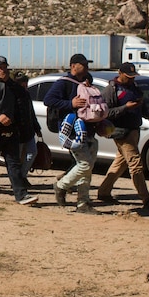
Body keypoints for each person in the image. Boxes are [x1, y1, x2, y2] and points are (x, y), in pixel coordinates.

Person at [97, 62, 149, 211]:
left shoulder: (134, 88)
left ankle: (103, 192)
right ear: (120, 73)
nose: (131, 79)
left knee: (120, 163)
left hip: (134, 131)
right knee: (135, 164)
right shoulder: (111, 90)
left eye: (133, 77)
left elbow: (141, 106)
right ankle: (146, 199)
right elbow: (106, 113)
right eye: (128, 77)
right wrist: (125, 108)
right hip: (121, 132)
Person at [0, 56, 38, 205]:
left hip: (10, 131)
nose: (3, 70)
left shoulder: (12, 85)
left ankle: (21, 195)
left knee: (14, 163)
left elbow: (23, 99)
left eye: (5, 67)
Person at [44, 53, 99, 213]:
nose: (86, 67)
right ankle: (61, 186)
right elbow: (49, 100)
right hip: (74, 131)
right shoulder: (64, 83)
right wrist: (70, 103)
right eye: (83, 64)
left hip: (89, 130)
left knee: (87, 169)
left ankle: (83, 203)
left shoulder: (87, 82)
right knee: (84, 165)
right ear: (73, 66)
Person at [13, 72, 41, 187]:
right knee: (17, 158)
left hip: (28, 131)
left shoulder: (26, 95)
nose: (25, 86)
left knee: (32, 153)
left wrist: (37, 127)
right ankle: (16, 181)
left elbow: (31, 113)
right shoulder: (12, 95)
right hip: (17, 132)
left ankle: (22, 176)